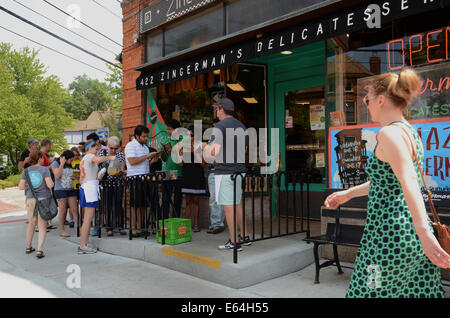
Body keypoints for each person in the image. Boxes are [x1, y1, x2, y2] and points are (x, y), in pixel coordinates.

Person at [324, 68, 450, 298]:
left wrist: (425, 233)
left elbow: (408, 179)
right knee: (415, 292)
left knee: (369, 291)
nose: (366, 103)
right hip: (407, 234)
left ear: (381, 99)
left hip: (387, 234)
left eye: (367, 98)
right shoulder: (410, 133)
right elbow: (387, 181)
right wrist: (347, 194)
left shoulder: (388, 134)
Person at [202, 98, 249, 252]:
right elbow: (246, 149)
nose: (216, 112)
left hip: (224, 172)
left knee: (228, 207)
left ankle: (235, 242)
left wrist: (204, 147)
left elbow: (214, 151)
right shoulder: (241, 126)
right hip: (240, 171)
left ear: (221, 109)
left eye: (217, 109)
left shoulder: (220, 127)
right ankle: (245, 236)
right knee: (237, 204)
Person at [78, 141, 115, 254]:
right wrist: (110, 157)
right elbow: (98, 160)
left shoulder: (84, 159)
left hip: (86, 188)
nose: (97, 151)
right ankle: (83, 246)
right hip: (89, 189)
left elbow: (81, 179)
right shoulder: (89, 156)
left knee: (87, 219)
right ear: (91, 148)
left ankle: (84, 243)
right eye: (96, 149)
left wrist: (97, 177)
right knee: (88, 219)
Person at [18, 150, 54, 259]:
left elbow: (20, 187)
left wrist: (30, 187)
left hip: (30, 199)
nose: (44, 159)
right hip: (43, 199)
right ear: (39, 159)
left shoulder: (26, 171)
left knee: (31, 224)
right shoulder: (44, 170)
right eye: (42, 157)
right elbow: (50, 185)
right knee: (42, 226)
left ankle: (28, 247)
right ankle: (39, 250)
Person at [125, 125, 159, 236]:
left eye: (146, 137)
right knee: (135, 205)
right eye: (143, 136)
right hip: (135, 178)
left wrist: (153, 160)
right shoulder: (130, 146)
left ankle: (141, 227)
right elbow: (132, 162)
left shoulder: (145, 147)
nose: (145, 139)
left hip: (145, 178)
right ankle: (133, 229)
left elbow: (145, 164)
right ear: (137, 136)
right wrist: (147, 156)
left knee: (143, 205)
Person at [178, 127, 206, 232]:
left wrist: (194, 151)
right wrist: (179, 155)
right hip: (187, 176)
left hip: (197, 176)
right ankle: (186, 225)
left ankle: (196, 225)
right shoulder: (183, 148)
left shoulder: (200, 147)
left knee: (196, 201)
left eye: (191, 135)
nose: (189, 138)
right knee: (187, 201)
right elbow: (181, 164)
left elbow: (203, 164)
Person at [98, 136, 126, 236]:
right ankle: (109, 227)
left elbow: (122, 169)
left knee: (118, 204)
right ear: (108, 146)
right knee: (108, 205)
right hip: (106, 183)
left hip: (118, 182)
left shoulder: (120, 154)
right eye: (111, 148)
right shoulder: (102, 153)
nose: (114, 150)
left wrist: (119, 172)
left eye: (116, 148)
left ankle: (120, 225)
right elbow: (98, 166)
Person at [51, 150, 78, 237]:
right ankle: (62, 230)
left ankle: (81, 228)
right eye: (71, 160)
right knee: (63, 210)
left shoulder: (69, 164)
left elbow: (66, 176)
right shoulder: (55, 163)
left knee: (74, 209)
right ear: (65, 158)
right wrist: (62, 164)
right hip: (60, 190)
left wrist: (74, 177)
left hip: (70, 189)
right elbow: (57, 175)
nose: (72, 161)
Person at [206, 118, 225, 234]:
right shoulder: (212, 137)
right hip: (213, 170)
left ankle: (219, 223)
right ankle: (216, 223)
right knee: (213, 198)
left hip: (223, 170)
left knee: (221, 198)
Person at [161, 119, 183, 219]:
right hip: (168, 172)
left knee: (178, 198)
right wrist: (163, 152)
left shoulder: (183, 140)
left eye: (170, 129)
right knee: (166, 198)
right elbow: (164, 159)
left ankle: (175, 220)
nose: (168, 131)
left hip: (179, 173)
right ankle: (164, 220)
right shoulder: (167, 140)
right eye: (167, 129)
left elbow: (184, 159)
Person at [70, 147, 82, 228]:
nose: (76, 156)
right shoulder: (69, 162)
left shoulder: (81, 161)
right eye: (74, 155)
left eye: (77, 154)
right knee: (73, 204)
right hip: (72, 185)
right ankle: (72, 220)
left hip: (80, 184)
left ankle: (81, 219)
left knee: (81, 203)